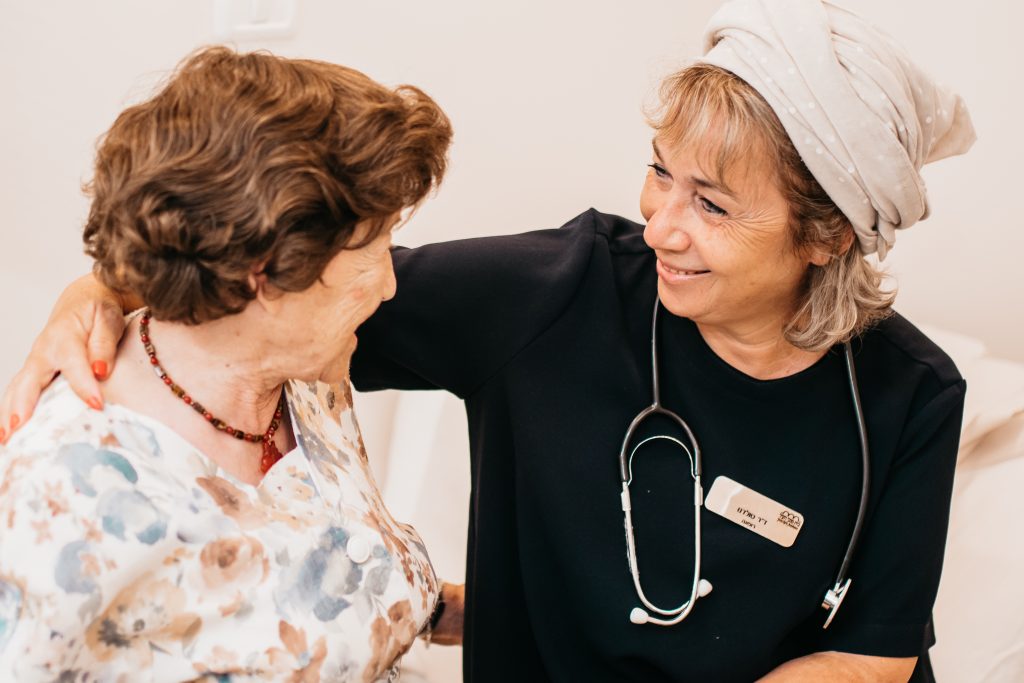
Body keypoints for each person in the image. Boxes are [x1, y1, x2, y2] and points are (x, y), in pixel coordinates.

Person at [1, 1, 976, 681]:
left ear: (828, 232)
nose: (661, 222)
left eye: (711, 204)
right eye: (658, 171)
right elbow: (255, 270)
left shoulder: (909, 392)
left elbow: (874, 652)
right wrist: (95, 282)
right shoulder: (556, 294)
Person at [0, 46, 461, 681]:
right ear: (263, 276)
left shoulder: (307, 380)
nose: (389, 284)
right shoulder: (63, 496)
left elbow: (333, 586)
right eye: (371, 251)